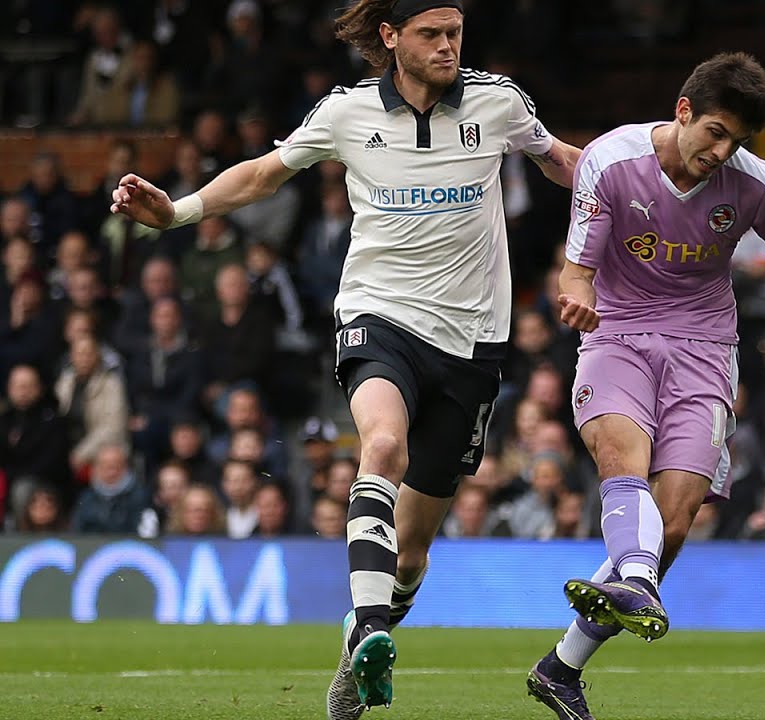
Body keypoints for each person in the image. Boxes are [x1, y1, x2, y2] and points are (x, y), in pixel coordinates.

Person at [107, 2, 581, 716]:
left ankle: (357, 648)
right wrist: (177, 213)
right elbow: (265, 174)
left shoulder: (498, 101)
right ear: (390, 38)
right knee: (380, 444)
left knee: (414, 552)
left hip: (472, 341)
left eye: (455, 32)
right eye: (431, 34)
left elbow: (565, 162)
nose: (448, 45)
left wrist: (651, 190)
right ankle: (366, 624)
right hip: (378, 315)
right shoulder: (346, 112)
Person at [525, 52, 765, 720]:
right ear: (683, 111)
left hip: (705, 349)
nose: (722, 150)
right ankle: (639, 583)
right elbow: (577, 269)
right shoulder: (611, 160)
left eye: (737, 140)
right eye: (715, 131)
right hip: (617, 333)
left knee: (674, 519)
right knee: (624, 463)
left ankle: (559, 668)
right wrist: (576, 297)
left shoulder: (757, 185)